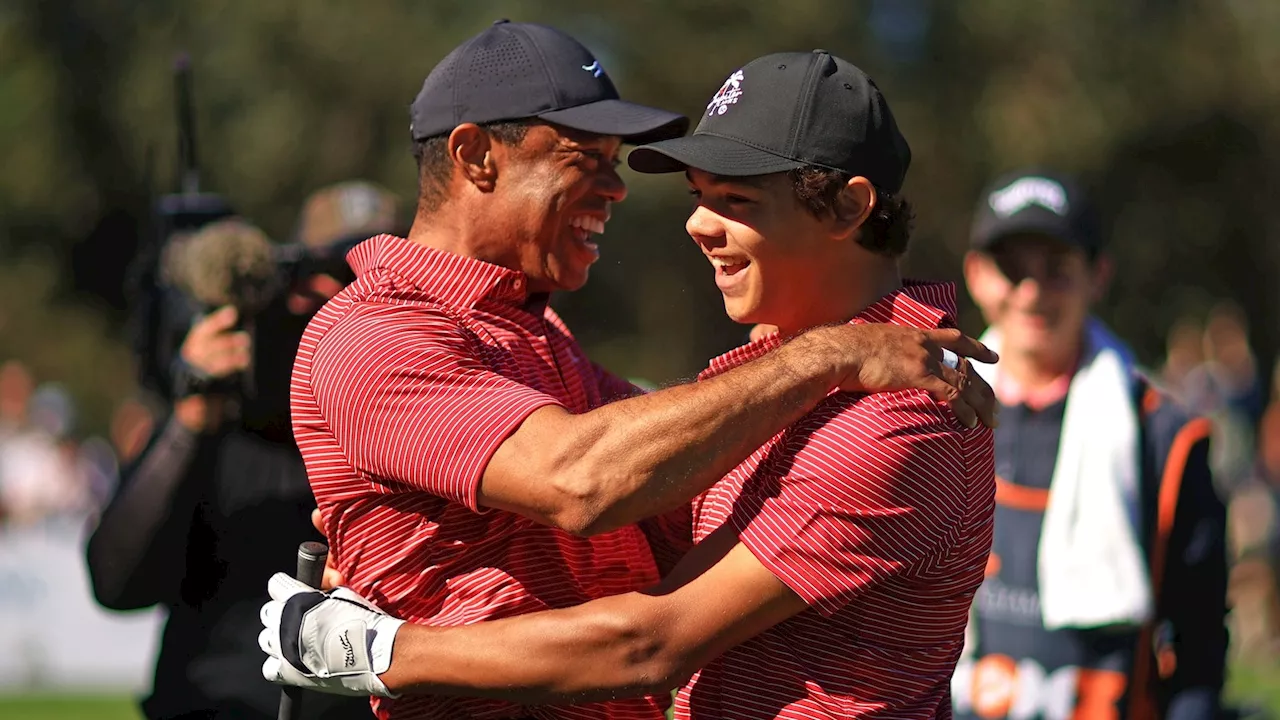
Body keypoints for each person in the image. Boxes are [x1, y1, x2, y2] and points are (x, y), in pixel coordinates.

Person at [259, 49, 997, 720]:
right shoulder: (381, 331)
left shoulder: (897, 408)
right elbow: (592, 479)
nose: (693, 224)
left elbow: (649, 636)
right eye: (588, 157)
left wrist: (377, 650)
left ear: (847, 207)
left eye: (737, 201)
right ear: (474, 155)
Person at [85, 182, 401, 720]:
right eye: (329, 278)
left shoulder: (413, 420)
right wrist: (193, 413)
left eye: (371, 281)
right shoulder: (222, 415)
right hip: (212, 702)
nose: (344, 301)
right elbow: (117, 582)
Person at [947, 170, 1229, 720]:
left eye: (1056, 271)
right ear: (977, 275)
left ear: (1098, 276)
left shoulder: (1164, 437)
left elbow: (1198, 646)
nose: (1032, 292)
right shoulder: (929, 413)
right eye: (1012, 270)